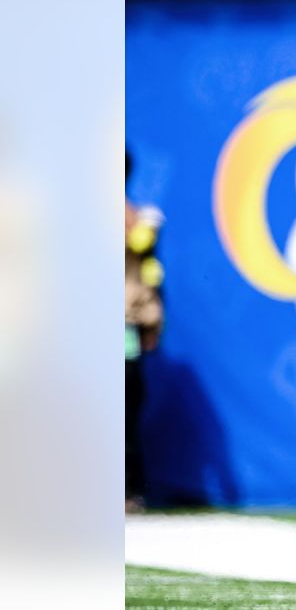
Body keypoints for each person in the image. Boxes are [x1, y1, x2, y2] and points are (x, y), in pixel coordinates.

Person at [125, 149, 165, 513]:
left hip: (125, 329)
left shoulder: (139, 222)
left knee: (126, 414)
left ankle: (129, 493)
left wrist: (152, 321)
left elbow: (150, 276)